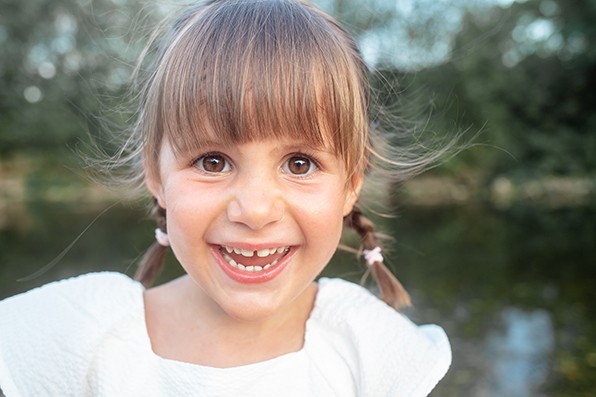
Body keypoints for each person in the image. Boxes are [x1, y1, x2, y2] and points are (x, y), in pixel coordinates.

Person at [0, 0, 451, 395]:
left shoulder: (373, 351)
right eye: (213, 162)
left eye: (300, 164)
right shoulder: (74, 336)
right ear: (156, 174)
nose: (254, 210)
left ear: (351, 185)